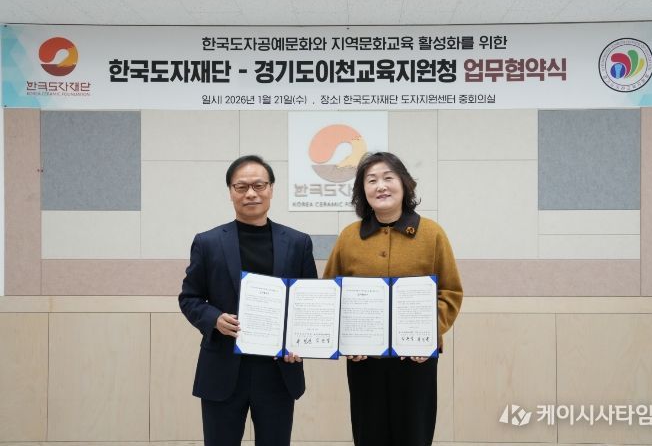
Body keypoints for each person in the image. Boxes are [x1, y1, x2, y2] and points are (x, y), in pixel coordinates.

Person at [323, 151, 463, 446]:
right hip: (364, 360)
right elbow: (330, 295)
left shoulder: (432, 234)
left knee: (414, 435)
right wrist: (345, 338)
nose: (381, 186)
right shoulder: (349, 237)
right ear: (362, 190)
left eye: (388, 178)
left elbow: (450, 292)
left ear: (404, 184)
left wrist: (428, 333)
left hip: (416, 359)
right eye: (371, 180)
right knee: (369, 434)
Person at [179, 155, 317, 446]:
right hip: (222, 367)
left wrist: (300, 343)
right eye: (241, 187)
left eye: (259, 185)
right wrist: (214, 319)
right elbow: (189, 298)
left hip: (278, 370)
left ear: (271, 189)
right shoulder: (207, 242)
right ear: (230, 192)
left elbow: (310, 303)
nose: (251, 193)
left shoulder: (298, 242)